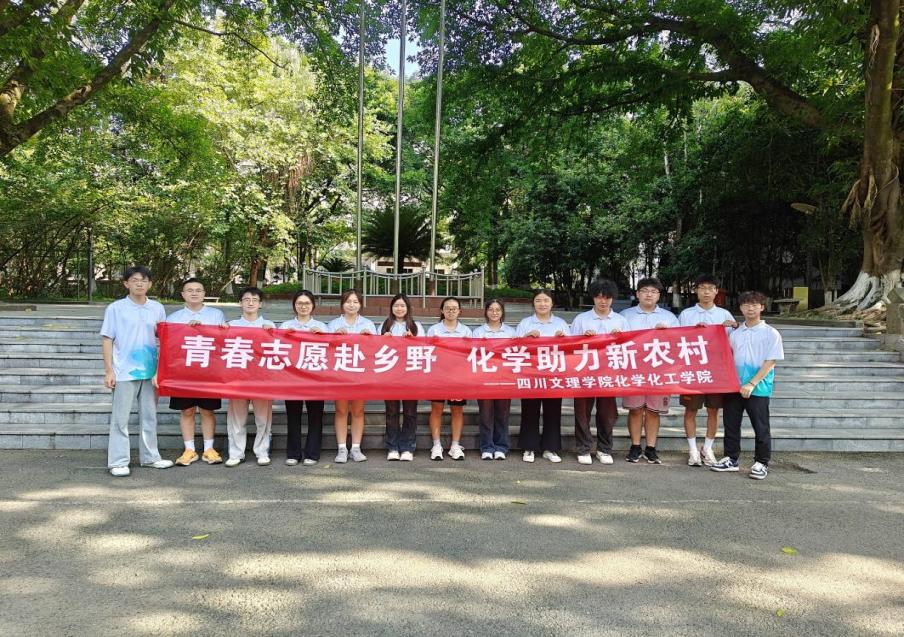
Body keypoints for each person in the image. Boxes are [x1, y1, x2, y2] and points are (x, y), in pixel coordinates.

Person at [101, 266, 173, 477]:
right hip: (124, 371)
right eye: (134, 280)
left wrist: (161, 370)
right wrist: (109, 370)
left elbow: (165, 339)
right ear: (126, 283)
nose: (139, 283)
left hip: (151, 371)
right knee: (120, 419)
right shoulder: (116, 308)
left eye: (144, 280)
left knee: (149, 417)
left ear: (150, 284)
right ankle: (118, 461)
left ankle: (150, 457)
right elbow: (107, 339)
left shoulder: (157, 308)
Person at [711, 291, 784, 480]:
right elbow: (726, 356)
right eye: (746, 305)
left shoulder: (771, 333)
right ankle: (731, 458)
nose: (750, 308)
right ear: (740, 308)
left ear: (762, 307)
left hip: (758, 387)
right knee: (731, 424)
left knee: (761, 426)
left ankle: (761, 462)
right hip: (734, 386)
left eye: (754, 304)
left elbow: (771, 361)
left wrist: (752, 383)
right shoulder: (736, 333)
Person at [678, 274, 738, 467]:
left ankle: (708, 448)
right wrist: (693, 332)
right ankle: (693, 450)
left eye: (710, 288)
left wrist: (734, 326)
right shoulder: (686, 314)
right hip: (693, 369)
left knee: (714, 409)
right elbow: (676, 340)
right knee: (690, 409)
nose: (706, 292)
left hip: (716, 371)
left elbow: (734, 342)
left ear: (716, 291)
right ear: (696, 291)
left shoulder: (724, 314)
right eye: (702, 288)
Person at [167, 278, 227, 466]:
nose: (194, 293)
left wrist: (206, 331)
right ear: (183, 294)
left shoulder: (216, 315)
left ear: (204, 294)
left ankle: (209, 449)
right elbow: (168, 345)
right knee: (187, 410)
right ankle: (189, 450)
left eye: (198, 290)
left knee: (208, 410)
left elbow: (223, 341)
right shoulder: (173, 318)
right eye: (190, 290)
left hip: (209, 371)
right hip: (182, 372)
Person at [619, 277, 679, 464]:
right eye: (645, 291)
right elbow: (618, 341)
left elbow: (679, 343)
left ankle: (651, 448)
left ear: (659, 296)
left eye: (653, 291)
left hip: (659, 370)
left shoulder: (669, 318)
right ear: (637, 294)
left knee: (653, 410)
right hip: (633, 369)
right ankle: (635, 446)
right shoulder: (624, 316)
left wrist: (666, 334)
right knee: (635, 410)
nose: (649, 295)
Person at [569, 279, 628, 465]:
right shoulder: (581, 319)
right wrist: (582, 339)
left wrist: (620, 338)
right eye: (599, 297)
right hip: (584, 373)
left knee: (607, 413)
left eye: (607, 297)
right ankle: (583, 448)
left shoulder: (621, 321)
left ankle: (604, 449)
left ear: (613, 299)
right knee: (582, 412)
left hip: (610, 374)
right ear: (593, 298)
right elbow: (569, 347)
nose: (603, 301)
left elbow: (630, 347)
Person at [516, 289, 569, 463]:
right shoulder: (525, 323)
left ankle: (550, 448)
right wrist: (526, 338)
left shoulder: (561, 323)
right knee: (529, 411)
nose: (542, 304)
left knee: (553, 411)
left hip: (554, 375)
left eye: (546, 300)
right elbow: (514, 348)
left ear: (552, 303)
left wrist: (563, 339)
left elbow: (571, 350)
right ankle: (529, 447)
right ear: (533, 303)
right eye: (538, 300)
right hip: (530, 374)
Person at [225, 286, 276, 467]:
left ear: (260, 304)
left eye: (255, 300)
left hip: (261, 379)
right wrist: (222, 330)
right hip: (237, 378)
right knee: (237, 418)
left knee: (263, 419)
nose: (250, 303)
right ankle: (236, 453)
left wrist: (271, 333)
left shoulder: (269, 325)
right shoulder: (231, 325)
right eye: (246, 299)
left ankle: (262, 451)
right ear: (240, 303)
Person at [280, 290, 329, 466]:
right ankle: (293, 453)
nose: (303, 306)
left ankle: (312, 453)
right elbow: (278, 348)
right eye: (299, 303)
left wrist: (322, 336)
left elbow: (331, 350)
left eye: (307, 303)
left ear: (313, 306)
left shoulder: (322, 326)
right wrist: (285, 335)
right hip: (292, 378)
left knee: (315, 416)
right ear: (294, 305)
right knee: (293, 415)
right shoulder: (285, 325)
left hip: (315, 378)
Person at [327, 289, 376, 463]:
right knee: (341, 410)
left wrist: (369, 338)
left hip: (360, 374)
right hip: (340, 373)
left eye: (355, 302)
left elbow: (375, 350)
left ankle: (356, 447)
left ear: (360, 305)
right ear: (342, 304)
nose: (352, 305)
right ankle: (341, 448)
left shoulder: (368, 324)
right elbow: (326, 349)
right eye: (348, 301)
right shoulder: (333, 324)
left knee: (358, 410)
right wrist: (335, 337)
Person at [380, 293, 425, 462]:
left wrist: (413, 340)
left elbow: (425, 349)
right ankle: (392, 447)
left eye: (402, 306)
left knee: (410, 412)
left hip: (411, 376)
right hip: (390, 376)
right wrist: (383, 340)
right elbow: (376, 349)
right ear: (391, 308)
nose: (399, 309)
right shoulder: (385, 325)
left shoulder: (416, 326)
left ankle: (407, 447)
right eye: (396, 305)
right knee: (391, 412)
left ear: (408, 308)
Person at [426, 296, 472, 460]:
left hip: (458, 377)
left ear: (459, 311)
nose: (451, 311)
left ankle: (455, 445)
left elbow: (469, 355)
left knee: (457, 410)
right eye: (447, 308)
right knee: (436, 409)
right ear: (442, 310)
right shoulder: (434, 330)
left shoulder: (466, 331)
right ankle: (436, 445)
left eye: (454, 308)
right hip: (437, 376)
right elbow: (428, 353)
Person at [472, 299, 516, 460]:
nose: (494, 312)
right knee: (486, 414)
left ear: (502, 312)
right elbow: (473, 355)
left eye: (498, 309)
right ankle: (487, 447)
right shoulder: (478, 332)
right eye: (491, 309)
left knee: (502, 414)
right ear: (486, 312)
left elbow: (516, 353)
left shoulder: (511, 332)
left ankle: (501, 447)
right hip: (484, 379)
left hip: (504, 379)